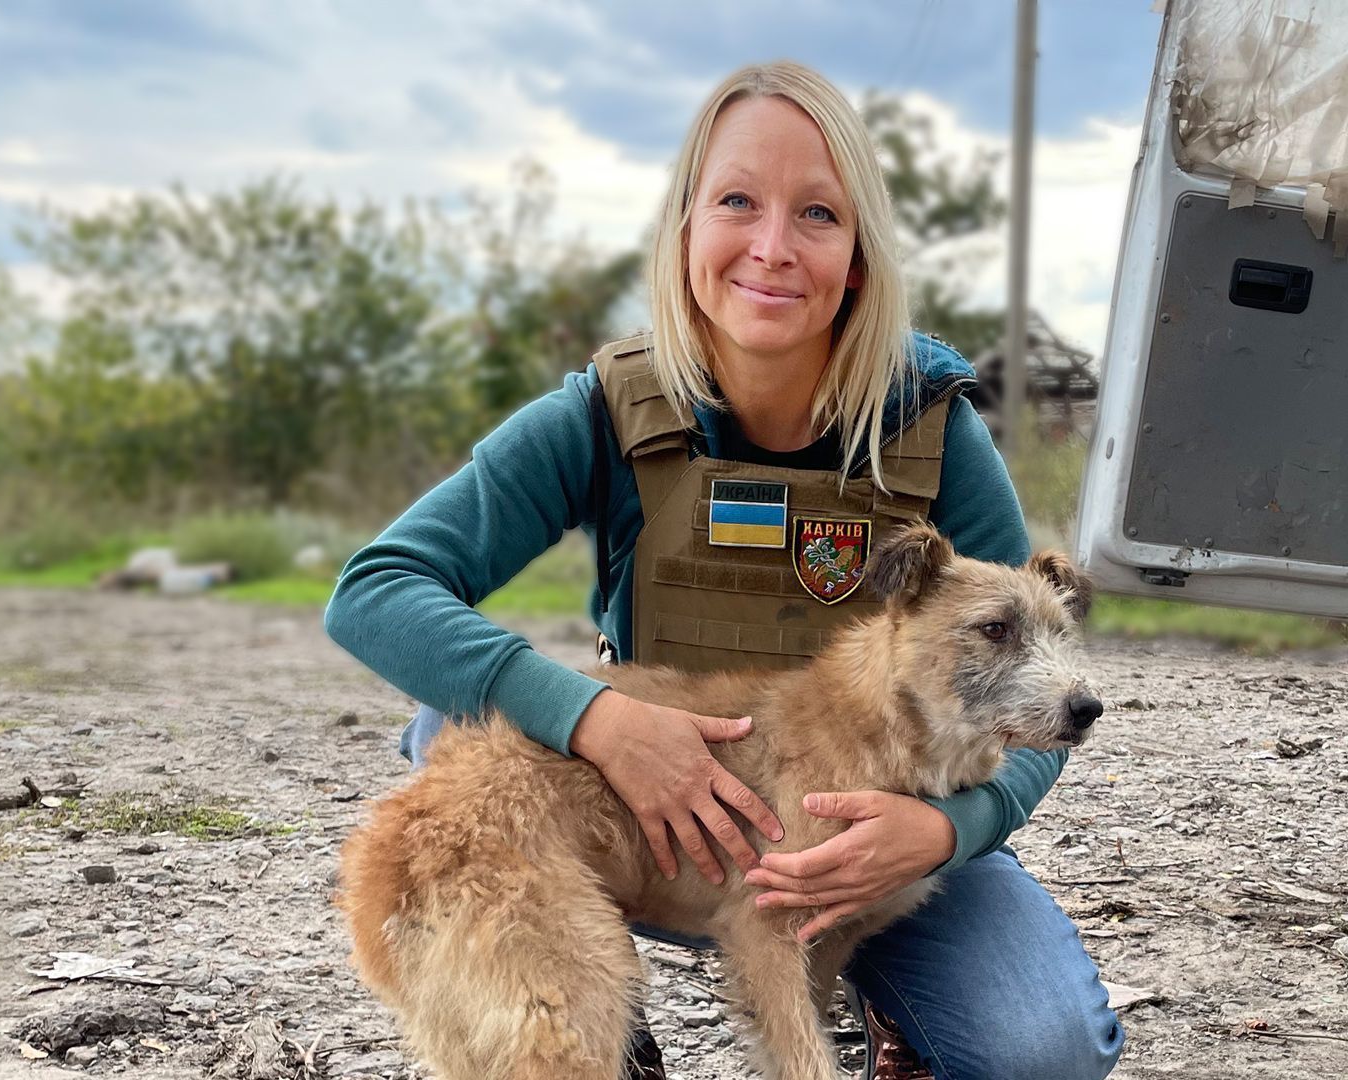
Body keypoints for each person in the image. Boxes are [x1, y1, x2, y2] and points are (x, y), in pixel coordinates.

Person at [324, 60, 1124, 1080]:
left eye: (819, 214)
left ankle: (894, 1009)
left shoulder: (929, 428)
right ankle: (592, 1012)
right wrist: (598, 720)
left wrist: (945, 827)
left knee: (1043, 1053)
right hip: (654, 834)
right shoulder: (608, 412)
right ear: (686, 230)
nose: (773, 247)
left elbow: (1035, 691)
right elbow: (377, 589)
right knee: (464, 720)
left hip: (873, 844)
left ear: (860, 258)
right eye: (737, 200)